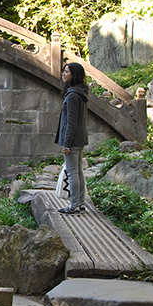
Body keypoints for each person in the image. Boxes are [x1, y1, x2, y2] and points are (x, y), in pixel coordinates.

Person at [54, 62, 89, 214]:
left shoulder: (73, 95)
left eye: (67, 71)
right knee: (78, 171)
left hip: (73, 140)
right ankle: (80, 203)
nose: (64, 73)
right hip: (80, 138)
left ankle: (74, 205)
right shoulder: (79, 92)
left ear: (74, 75)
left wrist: (67, 143)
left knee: (72, 172)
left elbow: (71, 122)